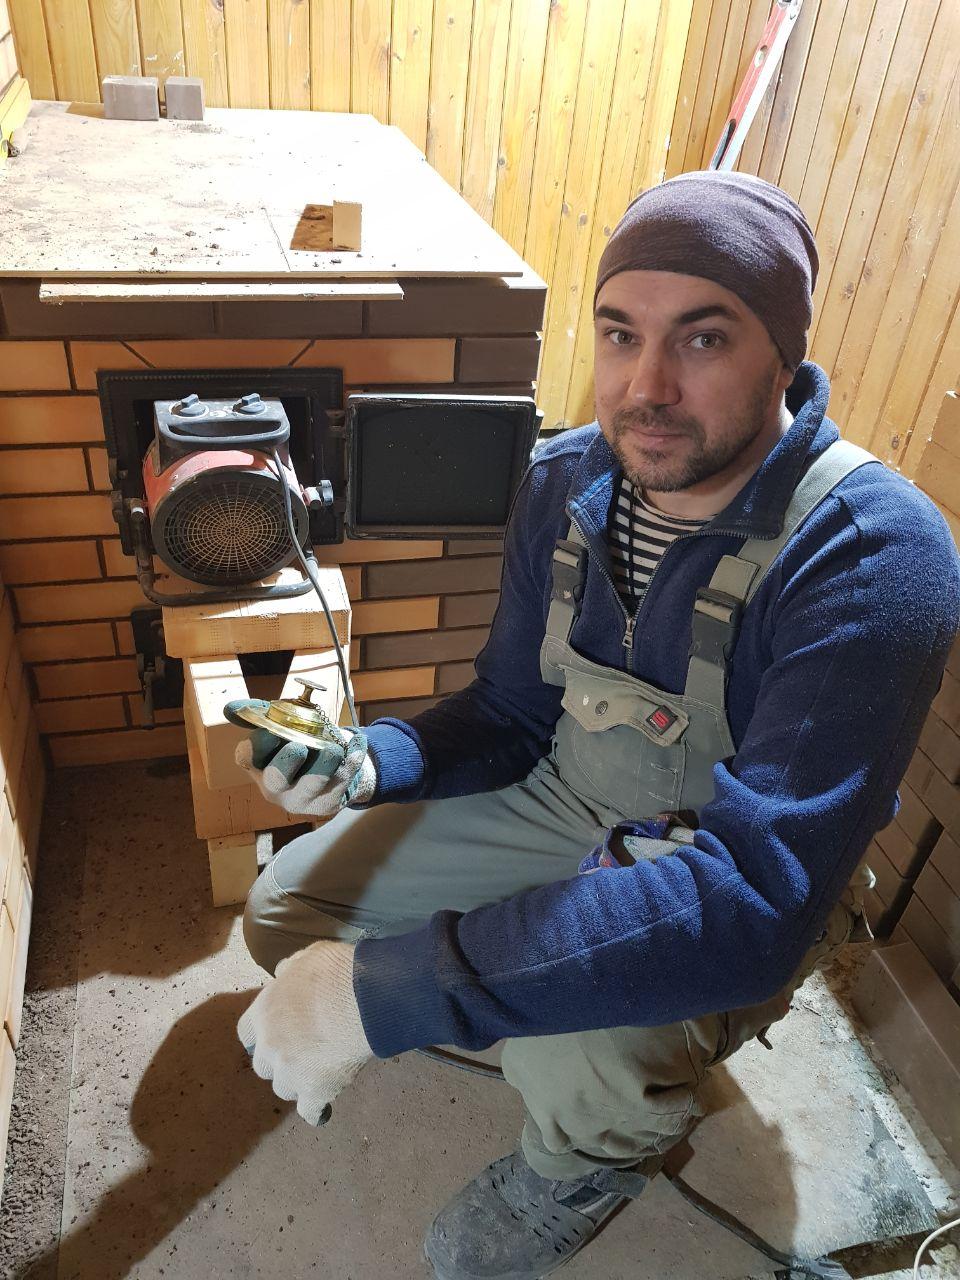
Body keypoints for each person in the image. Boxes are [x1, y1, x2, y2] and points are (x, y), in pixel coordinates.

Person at [232, 171, 960, 1280]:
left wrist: (382, 994)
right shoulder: (567, 480)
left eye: (703, 338)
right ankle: (519, 1006)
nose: (647, 387)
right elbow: (512, 709)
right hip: (568, 792)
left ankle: (591, 1157)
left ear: (784, 353)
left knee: (591, 1034)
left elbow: (752, 899)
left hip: (717, 861)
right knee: (286, 910)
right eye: (621, 334)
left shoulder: (871, 556)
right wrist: (372, 761)